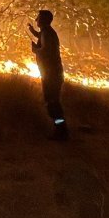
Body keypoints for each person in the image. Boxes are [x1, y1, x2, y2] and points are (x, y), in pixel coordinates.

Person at [28, 9, 68, 141]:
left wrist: (35, 50)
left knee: (52, 103)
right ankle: (61, 130)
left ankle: (61, 131)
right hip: (52, 74)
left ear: (44, 20)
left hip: (52, 75)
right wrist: (33, 32)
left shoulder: (47, 34)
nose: (36, 20)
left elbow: (46, 51)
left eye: (38, 18)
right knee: (53, 102)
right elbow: (42, 37)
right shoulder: (47, 32)